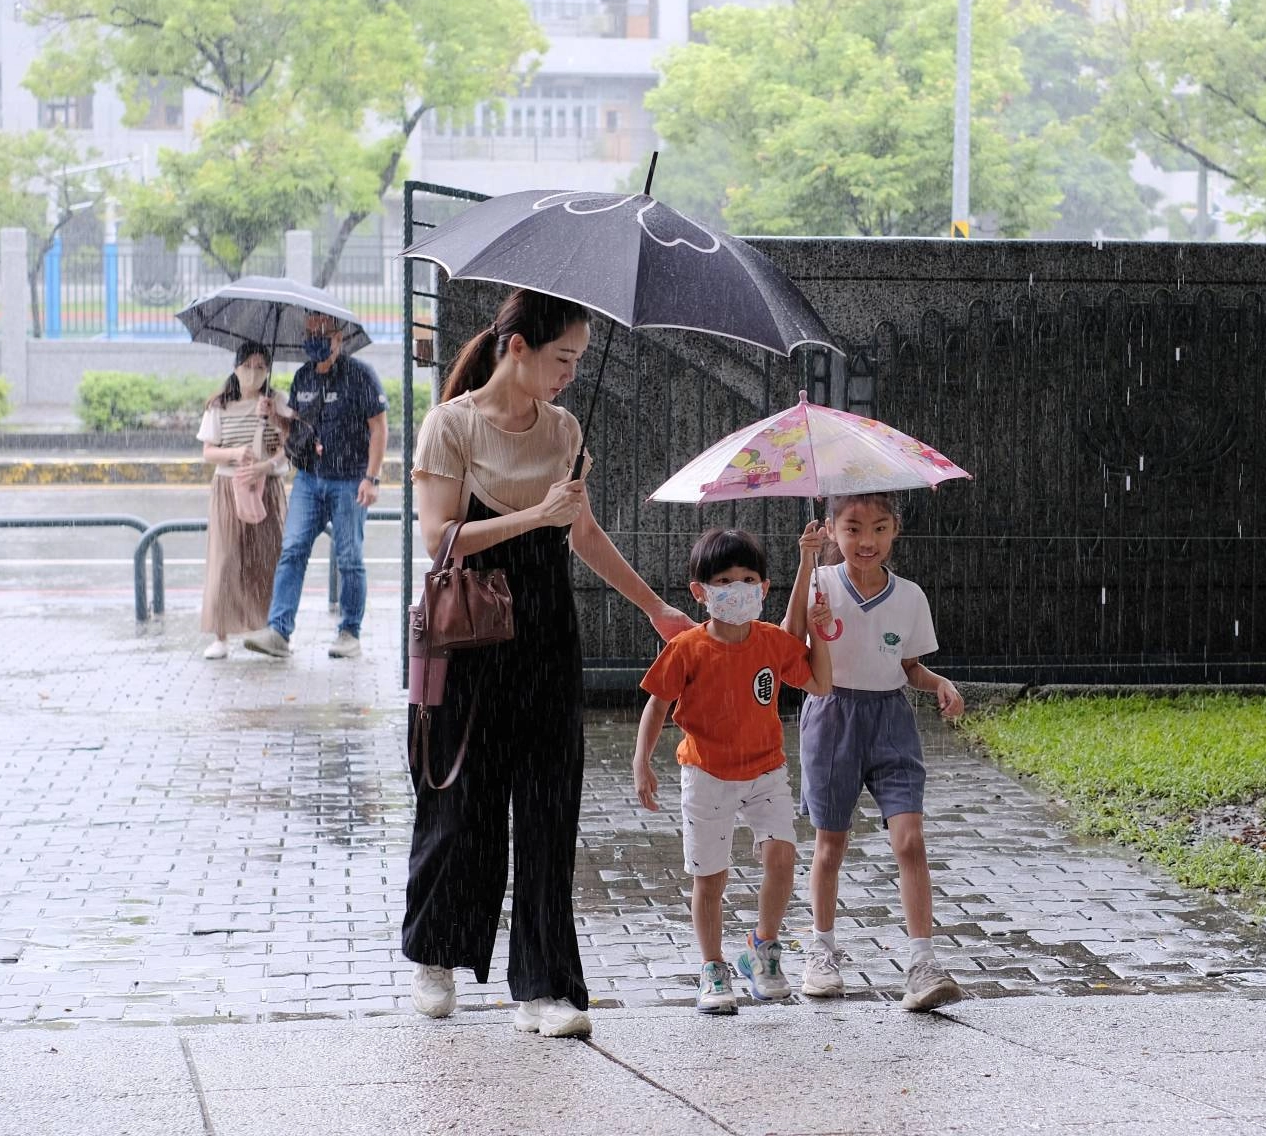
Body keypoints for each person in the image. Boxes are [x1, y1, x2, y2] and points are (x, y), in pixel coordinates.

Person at [403, 287, 692, 1040]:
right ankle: (437, 953)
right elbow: (436, 539)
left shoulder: (564, 429)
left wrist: (650, 606)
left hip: (546, 630)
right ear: (518, 348)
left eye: (579, 361)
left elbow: (583, 532)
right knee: (462, 801)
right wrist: (535, 515)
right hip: (470, 630)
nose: (570, 373)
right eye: (562, 357)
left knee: (547, 807)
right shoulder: (450, 425)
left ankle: (543, 985)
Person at [631, 528, 833, 1015]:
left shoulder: (771, 642)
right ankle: (713, 967)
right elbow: (657, 706)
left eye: (747, 578)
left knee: (781, 859)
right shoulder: (687, 647)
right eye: (723, 580)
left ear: (764, 588)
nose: (737, 589)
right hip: (706, 775)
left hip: (766, 771)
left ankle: (762, 950)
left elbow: (820, 684)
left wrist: (820, 633)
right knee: (711, 878)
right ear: (699, 591)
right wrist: (642, 762)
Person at [783, 495, 968, 1012]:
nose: (867, 541)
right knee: (830, 844)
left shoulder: (909, 596)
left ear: (895, 533)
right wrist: (805, 567)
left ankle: (922, 962)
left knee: (910, 841)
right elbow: (786, 643)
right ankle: (820, 951)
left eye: (880, 528)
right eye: (854, 528)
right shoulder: (820, 584)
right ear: (832, 531)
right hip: (831, 715)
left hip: (892, 720)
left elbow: (908, 666)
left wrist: (939, 684)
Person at [243, 312, 387, 661]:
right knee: (292, 550)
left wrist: (372, 478)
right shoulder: (303, 377)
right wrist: (274, 416)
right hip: (309, 478)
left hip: (350, 479)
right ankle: (279, 631)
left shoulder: (361, 375)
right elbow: (297, 431)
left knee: (349, 557)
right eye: (309, 332)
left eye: (322, 333)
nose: (315, 339)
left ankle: (350, 632)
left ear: (339, 338)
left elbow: (379, 428)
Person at [194, 343, 288, 660]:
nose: (253, 372)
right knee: (225, 559)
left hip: (268, 487)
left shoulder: (277, 401)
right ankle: (220, 635)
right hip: (228, 486)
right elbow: (208, 452)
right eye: (247, 365)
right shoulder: (219, 404)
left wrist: (272, 420)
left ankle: (272, 630)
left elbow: (289, 446)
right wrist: (235, 454)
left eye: (261, 366)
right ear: (235, 368)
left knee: (267, 558)